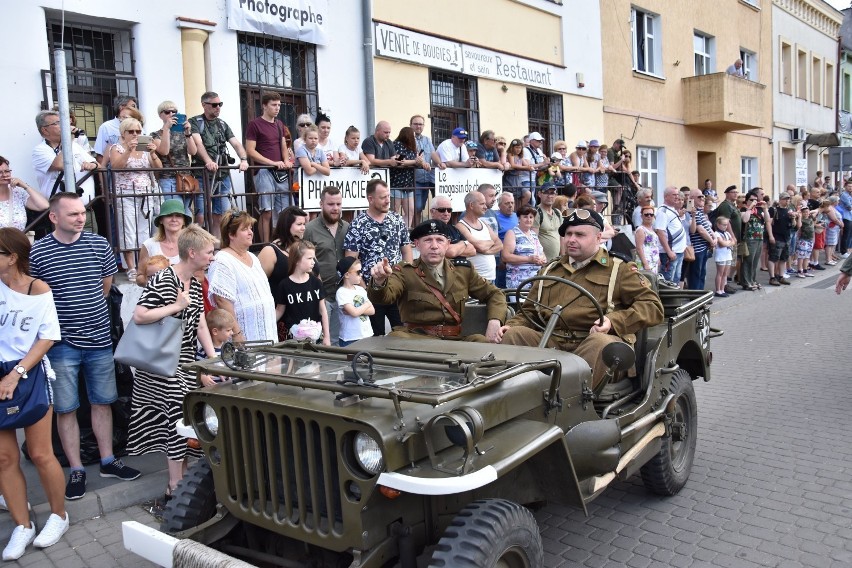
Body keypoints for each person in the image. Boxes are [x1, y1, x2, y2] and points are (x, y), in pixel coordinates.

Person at [29, 192, 141, 501]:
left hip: (99, 339)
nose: (81, 218)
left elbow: (106, 286)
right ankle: (76, 469)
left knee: (102, 401)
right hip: (61, 344)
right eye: (73, 214)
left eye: (82, 213)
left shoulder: (98, 244)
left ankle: (107, 461)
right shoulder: (38, 253)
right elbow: (35, 296)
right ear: (54, 217)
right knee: (66, 409)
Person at [496, 209, 664, 388]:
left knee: (599, 344)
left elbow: (653, 307)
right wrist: (511, 326)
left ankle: (570, 401)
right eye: (568, 234)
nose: (571, 239)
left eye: (580, 234)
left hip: (596, 342)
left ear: (598, 237)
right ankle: (517, 396)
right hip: (553, 341)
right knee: (514, 335)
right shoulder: (550, 270)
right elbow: (530, 310)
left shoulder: (619, 269)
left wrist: (613, 321)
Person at [127, 225, 217, 497]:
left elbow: (200, 321)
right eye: (209, 252)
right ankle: (175, 485)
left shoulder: (195, 280)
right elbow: (140, 316)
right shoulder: (165, 279)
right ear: (192, 253)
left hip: (185, 361)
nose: (213, 257)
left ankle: (180, 480)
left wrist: (213, 358)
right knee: (178, 418)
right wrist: (176, 307)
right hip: (163, 362)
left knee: (183, 418)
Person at [0, 228, 68, 560]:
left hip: (27, 372)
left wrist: (16, 373)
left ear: (12, 257)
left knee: (40, 453)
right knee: (4, 458)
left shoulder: (37, 288)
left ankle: (59, 515)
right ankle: (22, 524)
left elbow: (48, 336)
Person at [368, 220, 507, 342]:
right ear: (417, 244)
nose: (434, 246)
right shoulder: (405, 271)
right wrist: (379, 282)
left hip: (454, 339)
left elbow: (495, 294)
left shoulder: (463, 270)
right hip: (416, 339)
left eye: (439, 240)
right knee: (396, 338)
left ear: (447, 244)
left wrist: (494, 320)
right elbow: (384, 297)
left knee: (482, 344)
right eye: (428, 240)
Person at [344, 179, 412, 336]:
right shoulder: (358, 224)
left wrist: (407, 277)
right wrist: (363, 289)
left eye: (388, 196)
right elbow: (351, 261)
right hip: (371, 291)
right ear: (370, 198)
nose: (388, 200)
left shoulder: (397, 220)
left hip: (397, 289)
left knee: (404, 335)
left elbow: (407, 251)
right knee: (376, 337)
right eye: (383, 197)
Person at [207, 210, 277, 342]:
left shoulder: (252, 257)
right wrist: (236, 333)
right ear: (231, 234)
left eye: (251, 228)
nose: (251, 232)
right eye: (245, 229)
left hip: (267, 334)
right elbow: (223, 301)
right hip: (244, 336)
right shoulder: (222, 260)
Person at [108, 117, 163, 281]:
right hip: (125, 195)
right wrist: (128, 151)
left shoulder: (145, 150)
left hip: (145, 195)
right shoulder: (116, 148)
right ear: (123, 133)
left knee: (143, 232)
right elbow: (116, 167)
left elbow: (159, 169)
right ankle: (130, 267)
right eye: (130, 131)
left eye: (138, 131)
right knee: (127, 231)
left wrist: (153, 153)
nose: (135, 134)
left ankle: (143, 267)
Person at [189, 91, 249, 235]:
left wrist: (244, 159)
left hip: (222, 174)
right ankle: (199, 244)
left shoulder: (222, 124)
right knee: (201, 214)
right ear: (204, 105)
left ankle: (216, 246)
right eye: (214, 105)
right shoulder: (195, 122)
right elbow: (198, 143)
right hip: (202, 174)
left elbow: (235, 143)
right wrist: (208, 161)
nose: (218, 108)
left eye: (220, 104)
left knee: (221, 214)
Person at [31, 110, 98, 233]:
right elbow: (60, 165)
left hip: (85, 209)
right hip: (62, 213)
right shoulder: (40, 150)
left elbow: (96, 164)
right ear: (45, 130)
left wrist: (91, 165)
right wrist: (69, 141)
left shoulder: (75, 146)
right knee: (69, 249)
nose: (64, 126)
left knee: (90, 248)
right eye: (57, 123)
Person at [245, 92, 293, 242]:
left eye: (279, 105)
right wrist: (272, 163)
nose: (277, 108)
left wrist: (286, 161)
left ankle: (283, 242)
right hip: (264, 171)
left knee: (285, 211)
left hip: (280, 172)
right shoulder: (255, 124)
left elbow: (283, 145)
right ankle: (265, 244)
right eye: (274, 105)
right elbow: (250, 151)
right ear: (264, 106)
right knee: (267, 211)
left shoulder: (279, 124)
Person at [304, 187, 349, 346]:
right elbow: (304, 263)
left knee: (338, 341)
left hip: (343, 294)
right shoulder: (309, 229)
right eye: (331, 204)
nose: (335, 208)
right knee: (319, 340)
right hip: (321, 295)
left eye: (338, 204)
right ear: (321, 204)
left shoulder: (347, 227)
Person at [274, 241, 330, 345]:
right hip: (293, 340)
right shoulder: (284, 285)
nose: (313, 262)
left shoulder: (316, 282)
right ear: (297, 260)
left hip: (316, 338)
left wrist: (327, 337)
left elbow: (323, 311)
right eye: (309, 258)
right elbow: (279, 310)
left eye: (314, 258)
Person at [152, 100, 197, 216]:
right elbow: (164, 151)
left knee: (187, 215)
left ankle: (186, 235)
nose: (171, 114)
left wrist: (188, 133)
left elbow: (193, 151)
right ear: (160, 115)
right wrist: (166, 129)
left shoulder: (182, 133)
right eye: (167, 112)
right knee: (175, 213)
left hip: (186, 178)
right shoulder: (156, 135)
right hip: (169, 179)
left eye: (174, 112)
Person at [135, 199, 192, 286]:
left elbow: (200, 277)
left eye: (178, 216)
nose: (174, 219)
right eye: (169, 215)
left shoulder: (192, 244)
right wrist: (154, 281)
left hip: (187, 296)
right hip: (156, 297)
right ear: (161, 220)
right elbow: (140, 277)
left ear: (184, 221)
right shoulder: (149, 245)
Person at [258, 206, 308, 301]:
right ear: (286, 225)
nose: (303, 228)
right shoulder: (270, 251)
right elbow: (258, 285)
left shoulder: (305, 247)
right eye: (299, 224)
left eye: (304, 224)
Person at [455, 191, 503, 283]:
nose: (485, 207)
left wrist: (486, 250)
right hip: (475, 280)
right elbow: (479, 246)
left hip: (491, 278)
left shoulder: (483, 223)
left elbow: (500, 245)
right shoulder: (461, 226)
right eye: (482, 204)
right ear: (471, 205)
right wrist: (491, 242)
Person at [503, 205, 547, 289]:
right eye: (525, 217)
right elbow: (506, 257)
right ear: (519, 218)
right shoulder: (512, 233)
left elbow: (541, 252)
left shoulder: (533, 234)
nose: (529, 220)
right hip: (518, 283)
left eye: (531, 217)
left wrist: (543, 259)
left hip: (535, 283)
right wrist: (529, 259)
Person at [0, 156, 48, 230]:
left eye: (7, 171)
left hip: (19, 240)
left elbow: (44, 205)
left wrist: (25, 186)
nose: (4, 175)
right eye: (0, 172)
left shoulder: (18, 193)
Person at [335, 256, 374, 347]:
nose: (361, 275)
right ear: (347, 275)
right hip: (350, 338)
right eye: (358, 272)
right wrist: (367, 304)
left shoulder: (361, 290)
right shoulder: (341, 292)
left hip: (367, 334)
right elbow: (354, 313)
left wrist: (357, 310)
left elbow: (372, 311)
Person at [654, 186, 688, 283]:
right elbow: (660, 232)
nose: (677, 197)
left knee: (676, 279)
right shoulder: (663, 212)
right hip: (670, 253)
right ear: (666, 197)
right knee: (669, 281)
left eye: (677, 194)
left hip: (678, 251)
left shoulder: (671, 209)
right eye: (674, 194)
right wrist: (669, 251)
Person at [93, 95, 139, 165]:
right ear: (122, 107)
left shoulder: (138, 126)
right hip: (114, 170)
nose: (136, 109)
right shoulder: (106, 127)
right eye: (133, 106)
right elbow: (100, 155)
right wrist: (103, 174)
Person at [391, 126, 421, 227]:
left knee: (410, 211)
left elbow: (417, 161)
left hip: (408, 184)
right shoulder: (397, 145)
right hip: (397, 183)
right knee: (394, 211)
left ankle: (405, 231)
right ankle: (394, 231)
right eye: (413, 136)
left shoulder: (412, 148)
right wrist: (415, 161)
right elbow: (400, 161)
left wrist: (419, 161)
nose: (414, 138)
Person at [429, 194, 474, 259]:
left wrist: (455, 249)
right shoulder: (428, 230)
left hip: (462, 268)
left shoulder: (454, 228)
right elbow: (450, 252)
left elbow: (472, 250)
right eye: (442, 210)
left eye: (449, 210)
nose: (446, 213)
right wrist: (464, 243)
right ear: (432, 212)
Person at [739, 190, 768, 290]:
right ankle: (746, 282)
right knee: (748, 261)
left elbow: (767, 220)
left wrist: (765, 209)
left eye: (756, 200)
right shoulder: (744, 209)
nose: (754, 202)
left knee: (755, 262)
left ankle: (752, 280)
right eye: (751, 200)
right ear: (746, 201)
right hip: (749, 238)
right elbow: (745, 219)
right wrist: (750, 208)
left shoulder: (758, 210)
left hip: (759, 238)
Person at [410, 115, 435, 222]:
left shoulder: (427, 140)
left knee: (421, 208)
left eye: (420, 124)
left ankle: (419, 230)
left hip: (428, 178)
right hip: (416, 178)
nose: (418, 126)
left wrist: (441, 163)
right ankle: (414, 231)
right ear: (410, 125)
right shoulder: (408, 140)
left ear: (423, 126)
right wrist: (422, 163)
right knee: (417, 207)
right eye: (415, 124)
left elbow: (433, 154)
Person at [495, 191, 519, 287]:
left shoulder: (517, 216)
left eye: (512, 203)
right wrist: (500, 260)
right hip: (503, 261)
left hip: (517, 261)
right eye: (507, 203)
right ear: (499, 205)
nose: (510, 205)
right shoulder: (495, 218)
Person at [535, 183, 563, 261]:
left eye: (552, 193)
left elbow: (562, 237)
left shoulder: (558, 213)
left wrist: (563, 259)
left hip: (556, 262)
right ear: (539, 194)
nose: (549, 196)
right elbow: (534, 240)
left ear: (556, 195)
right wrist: (541, 259)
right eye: (546, 192)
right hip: (542, 262)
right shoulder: (536, 212)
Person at [504, 138, 533, 208]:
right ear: (512, 147)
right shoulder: (510, 154)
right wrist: (526, 168)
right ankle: (514, 211)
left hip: (518, 179)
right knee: (513, 197)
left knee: (528, 194)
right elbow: (513, 165)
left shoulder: (520, 156)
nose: (518, 149)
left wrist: (530, 167)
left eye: (520, 148)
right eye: (516, 147)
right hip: (510, 179)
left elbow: (526, 165)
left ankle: (519, 209)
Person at [634, 205, 662, 274]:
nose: (649, 216)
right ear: (642, 216)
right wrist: (645, 264)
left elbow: (654, 245)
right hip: (645, 262)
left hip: (653, 262)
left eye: (651, 214)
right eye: (646, 215)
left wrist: (658, 259)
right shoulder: (641, 230)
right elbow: (639, 248)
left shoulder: (652, 229)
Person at [712, 216, 736, 297]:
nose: (725, 226)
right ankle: (718, 290)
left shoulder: (727, 233)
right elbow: (722, 244)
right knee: (720, 273)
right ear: (718, 224)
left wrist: (728, 242)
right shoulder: (716, 233)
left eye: (726, 225)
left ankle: (722, 289)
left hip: (728, 255)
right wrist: (728, 242)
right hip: (721, 256)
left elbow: (733, 241)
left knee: (725, 274)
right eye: (723, 224)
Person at [795, 206, 815, 278]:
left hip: (810, 240)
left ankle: (805, 270)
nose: (806, 213)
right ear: (802, 213)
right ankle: (799, 271)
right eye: (804, 212)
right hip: (803, 239)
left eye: (807, 212)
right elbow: (799, 226)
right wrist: (799, 216)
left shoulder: (811, 219)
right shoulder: (801, 220)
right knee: (801, 256)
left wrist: (813, 240)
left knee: (807, 256)